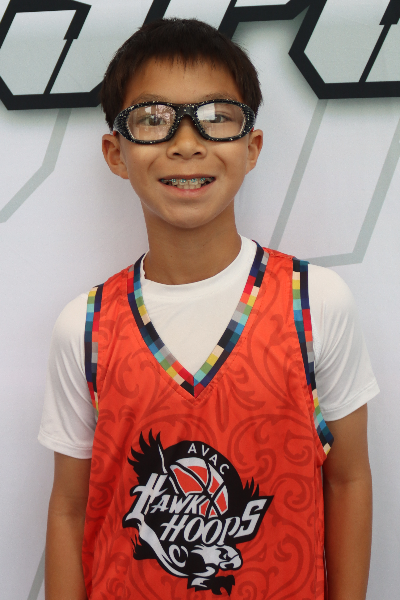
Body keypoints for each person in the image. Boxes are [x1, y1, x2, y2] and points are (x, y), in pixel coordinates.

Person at [39, 18, 379, 600]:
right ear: (116, 153)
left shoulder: (314, 303)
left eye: (217, 116)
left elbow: (348, 480)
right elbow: (70, 510)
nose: (186, 142)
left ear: (252, 148)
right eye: (153, 119)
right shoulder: (87, 327)